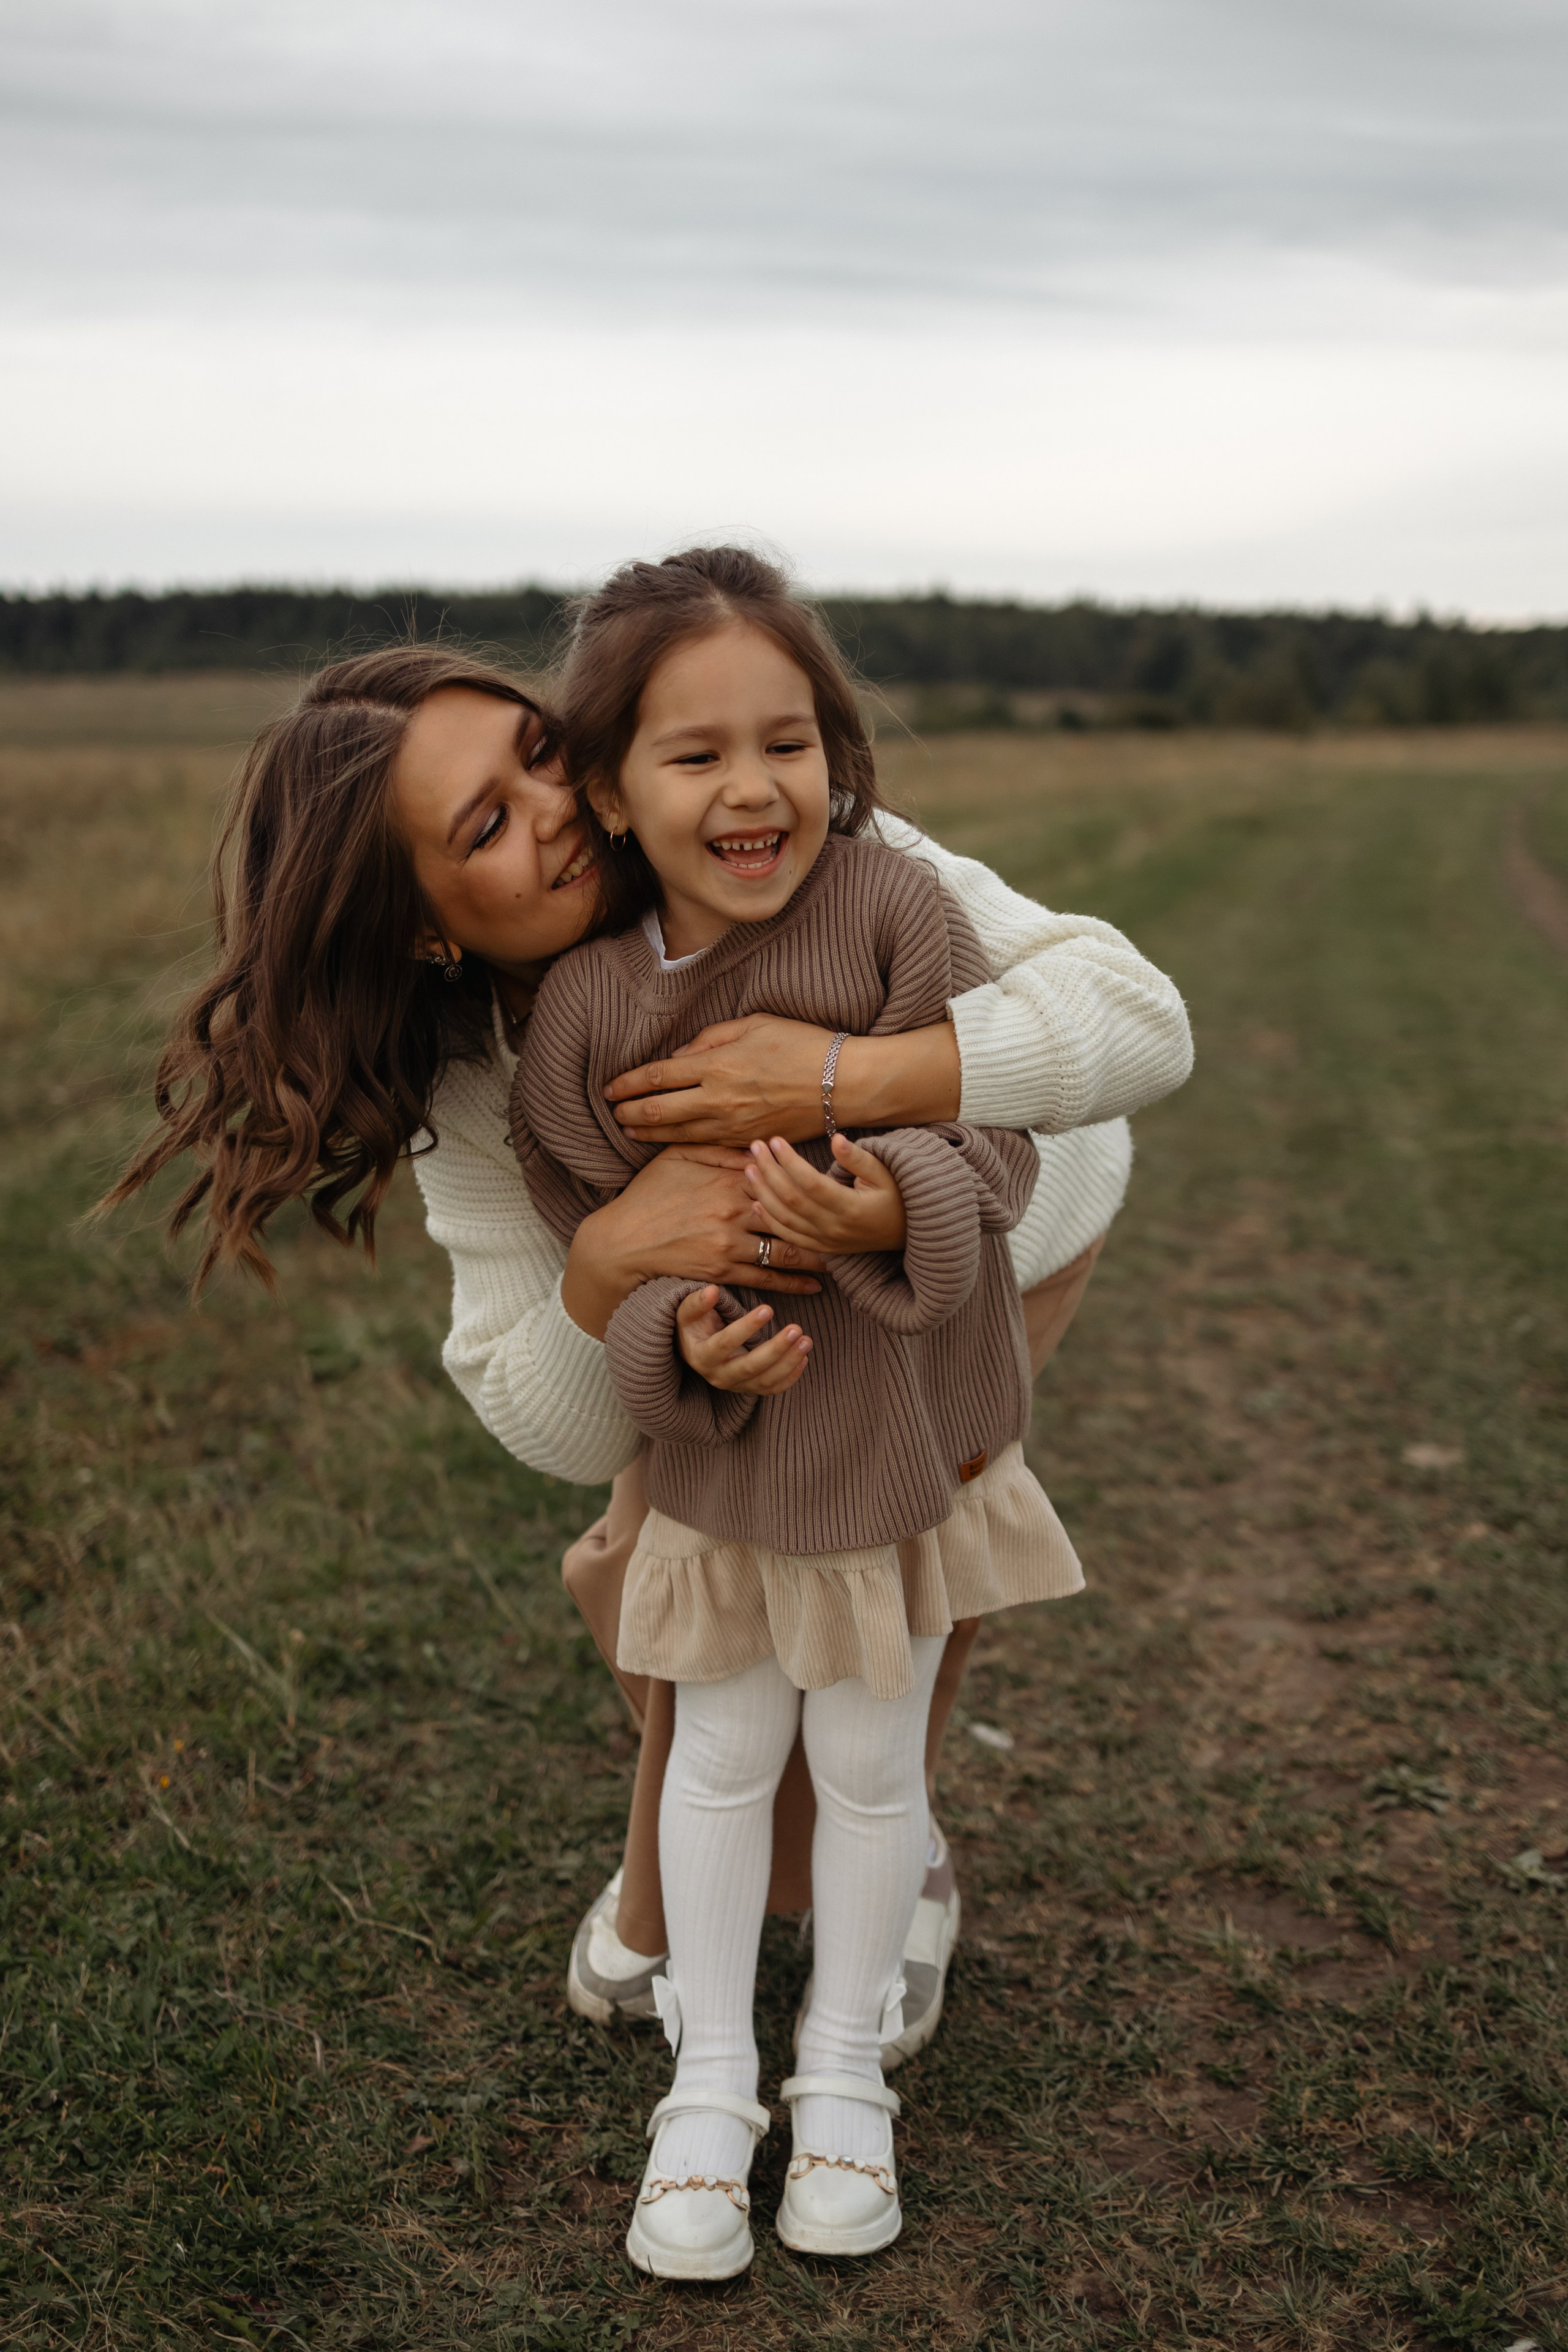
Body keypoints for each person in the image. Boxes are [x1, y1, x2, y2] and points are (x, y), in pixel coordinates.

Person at [102, 619, 1189, 2220]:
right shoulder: (484, 1075)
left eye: (539, 756)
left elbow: (1139, 1019)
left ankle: (857, 1889)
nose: (552, 813)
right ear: (420, 930)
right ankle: (687, 1906)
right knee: (659, 1567)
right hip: (721, 1334)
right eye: (483, 826)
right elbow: (555, 1422)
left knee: (900, 1552)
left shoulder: (782, 833)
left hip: (994, 1242)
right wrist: (610, 1258)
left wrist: (844, 1075)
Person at [502, 545, 1165, 2277]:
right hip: (728, 1461)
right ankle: (709, 2095)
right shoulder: (582, 1009)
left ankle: (843, 2076)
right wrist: (676, 1342)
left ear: (837, 750)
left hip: (891, 1440)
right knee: (717, 1756)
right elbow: (596, 1237)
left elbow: (1001, 1136)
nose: (752, 788)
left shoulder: (893, 910)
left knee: (874, 1764)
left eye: (786, 742)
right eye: (696, 753)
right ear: (612, 790)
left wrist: (892, 1206)